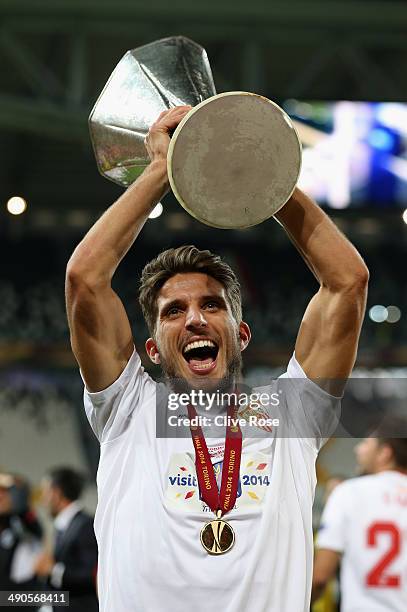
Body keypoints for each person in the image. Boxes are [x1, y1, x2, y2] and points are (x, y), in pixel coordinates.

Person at [65, 105, 369, 611]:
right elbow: (85, 281)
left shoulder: (292, 413)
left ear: (241, 333)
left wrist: (264, 177)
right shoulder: (128, 408)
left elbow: (348, 283)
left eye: (212, 305)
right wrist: (164, 168)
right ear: (152, 349)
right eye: (173, 312)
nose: (194, 320)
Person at [312, 433, 407, 611]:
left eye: (366, 443)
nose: (358, 448)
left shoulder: (349, 492)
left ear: (384, 453)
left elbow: (320, 577)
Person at [34, 467, 98, 612]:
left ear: (56, 493)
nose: (43, 501)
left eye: (45, 493)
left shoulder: (85, 525)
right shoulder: (65, 527)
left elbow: (93, 574)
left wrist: (53, 570)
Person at [0, 472, 42, 610]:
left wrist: (10, 480)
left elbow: (35, 528)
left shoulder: (21, 520)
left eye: (5, 493)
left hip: (24, 596)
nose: (1, 497)